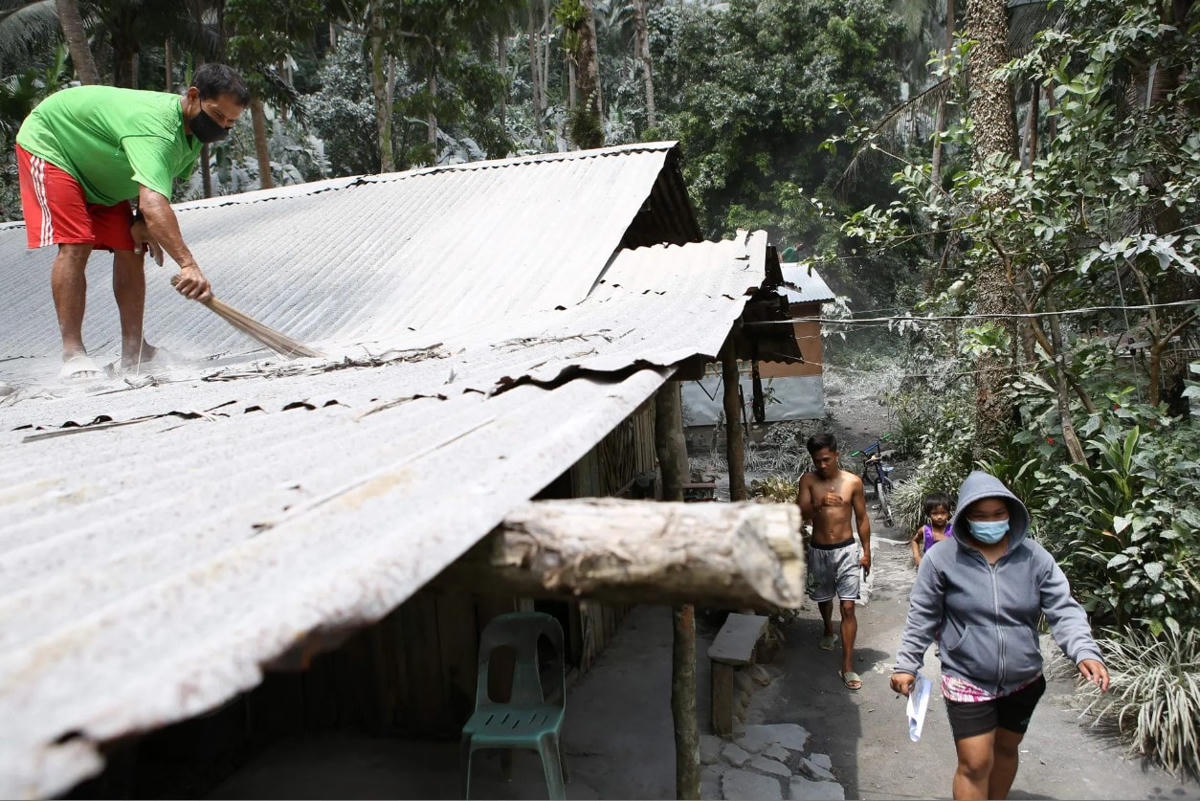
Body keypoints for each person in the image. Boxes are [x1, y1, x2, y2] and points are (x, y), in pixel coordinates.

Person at [14, 64, 250, 380]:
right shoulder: (156, 128)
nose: (223, 127)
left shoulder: (192, 134)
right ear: (193, 97)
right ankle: (73, 355)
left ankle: (134, 350)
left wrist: (140, 220)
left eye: (231, 123)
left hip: (101, 169)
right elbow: (155, 202)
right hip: (54, 146)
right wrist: (188, 265)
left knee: (133, 244)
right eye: (219, 116)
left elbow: (153, 185)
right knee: (76, 242)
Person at [890, 470, 1109, 801]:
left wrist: (1084, 651)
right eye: (979, 516)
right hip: (966, 676)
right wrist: (907, 663)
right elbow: (922, 614)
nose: (989, 522)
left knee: (1007, 749)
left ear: (1012, 512)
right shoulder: (940, 560)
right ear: (963, 517)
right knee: (975, 763)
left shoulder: (1035, 557)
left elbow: (1063, 608)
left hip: (1023, 679)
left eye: (997, 514)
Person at [795, 433, 871, 691]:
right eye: (817, 461)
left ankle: (847, 665)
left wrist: (867, 551)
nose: (822, 465)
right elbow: (801, 514)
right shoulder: (808, 480)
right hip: (819, 550)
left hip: (847, 551)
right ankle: (828, 629)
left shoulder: (853, 482)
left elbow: (861, 518)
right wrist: (818, 504)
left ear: (837, 454)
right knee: (824, 599)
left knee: (848, 608)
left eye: (827, 459)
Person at [910, 491, 954, 567]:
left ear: (948, 513)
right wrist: (917, 557)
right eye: (935, 513)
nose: (939, 516)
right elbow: (914, 541)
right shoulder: (925, 530)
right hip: (929, 567)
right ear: (929, 514)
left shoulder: (953, 530)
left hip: (949, 567)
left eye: (943, 513)